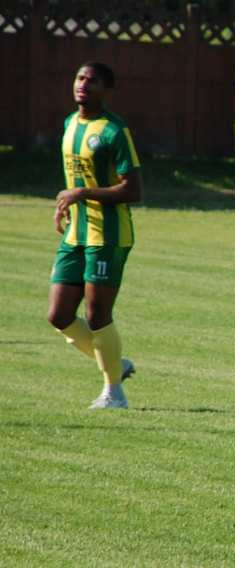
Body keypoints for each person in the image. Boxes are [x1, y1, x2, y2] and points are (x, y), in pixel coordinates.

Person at [47, 62, 142, 409]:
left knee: (98, 314)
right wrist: (66, 204)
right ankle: (116, 365)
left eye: (92, 80)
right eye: (79, 78)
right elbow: (76, 179)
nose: (84, 84)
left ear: (107, 89)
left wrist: (81, 194)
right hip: (76, 232)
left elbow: (134, 190)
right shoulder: (70, 124)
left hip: (109, 235)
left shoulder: (115, 131)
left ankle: (114, 392)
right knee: (58, 315)